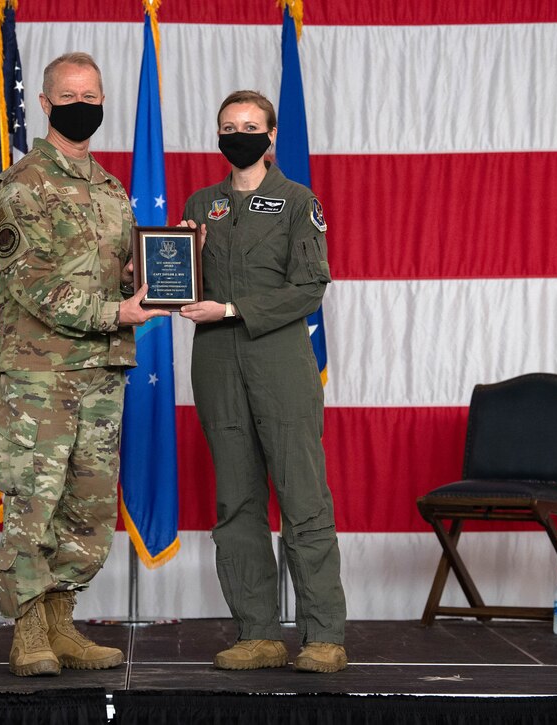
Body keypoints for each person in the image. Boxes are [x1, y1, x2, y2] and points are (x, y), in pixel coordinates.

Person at [0, 52, 168, 677]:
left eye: (92, 93)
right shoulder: (20, 186)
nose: (82, 102)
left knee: (86, 510)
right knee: (34, 504)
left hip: (102, 373)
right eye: (70, 93)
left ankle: (63, 625)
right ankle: (29, 632)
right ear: (45, 103)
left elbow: (118, 273)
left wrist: (167, 268)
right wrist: (118, 314)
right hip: (42, 377)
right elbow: (34, 286)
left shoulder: (111, 190)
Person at [180, 90, 348, 673]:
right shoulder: (202, 203)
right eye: (228, 126)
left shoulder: (299, 202)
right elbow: (176, 281)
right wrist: (171, 259)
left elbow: (309, 287)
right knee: (237, 502)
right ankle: (257, 632)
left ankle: (323, 634)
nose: (239, 134)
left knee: (302, 497)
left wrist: (229, 309)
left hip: (278, 361)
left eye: (250, 126)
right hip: (218, 366)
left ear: (271, 135)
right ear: (218, 134)